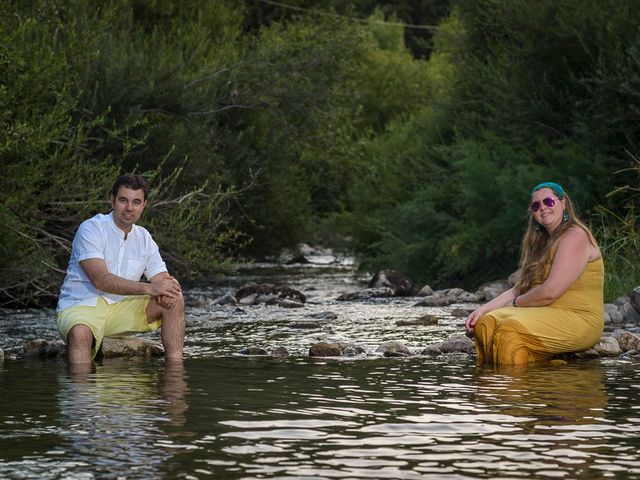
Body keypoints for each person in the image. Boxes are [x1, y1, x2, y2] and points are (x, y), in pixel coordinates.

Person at [465, 181, 604, 365]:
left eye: (549, 201)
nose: (543, 208)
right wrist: (482, 310)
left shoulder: (575, 236)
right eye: (536, 205)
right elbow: (519, 288)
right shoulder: (541, 242)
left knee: (508, 332)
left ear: (563, 203)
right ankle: (529, 371)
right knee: (486, 324)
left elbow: (549, 292)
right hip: (545, 314)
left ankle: (517, 388)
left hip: (579, 319)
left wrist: (514, 305)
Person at [56, 174, 185, 365]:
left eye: (136, 202)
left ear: (144, 205)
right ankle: (80, 393)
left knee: (174, 297)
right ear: (112, 200)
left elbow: (161, 278)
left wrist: (169, 285)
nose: (129, 208)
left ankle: (175, 370)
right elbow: (101, 279)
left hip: (121, 311)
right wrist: (150, 288)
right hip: (82, 306)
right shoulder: (91, 229)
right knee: (80, 333)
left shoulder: (144, 238)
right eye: (123, 200)